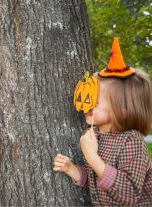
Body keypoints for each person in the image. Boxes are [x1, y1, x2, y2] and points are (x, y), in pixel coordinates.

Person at [53, 37, 152, 206]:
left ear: (123, 108)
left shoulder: (131, 140)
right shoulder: (96, 135)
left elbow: (128, 194)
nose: (88, 104)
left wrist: (91, 156)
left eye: (95, 101)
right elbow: (96, 176)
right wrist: (72, 169)